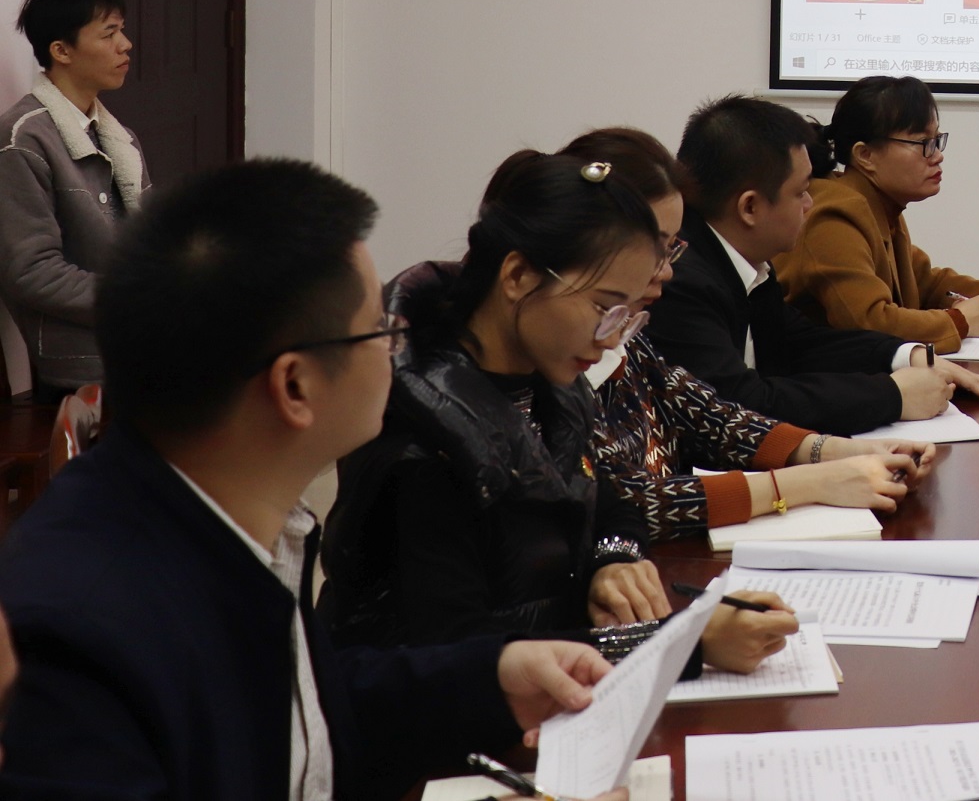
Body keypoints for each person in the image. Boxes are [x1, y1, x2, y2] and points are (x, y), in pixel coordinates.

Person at [0, 157, 626, 801]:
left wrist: (491, 679)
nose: (396, 347)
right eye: (379, 330)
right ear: (295, 386)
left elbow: (295, 710)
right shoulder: (80, 625)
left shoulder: (219, 512)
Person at [321, 150, 792, 679]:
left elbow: (610, 502)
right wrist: (681, 643)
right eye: (604, 308)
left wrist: (613, 560)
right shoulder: (423, 443)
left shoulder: (550, 387)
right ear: (519, 275)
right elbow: (462, 658)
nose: (611, 339)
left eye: (627, 316)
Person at [559, 127, 935, 542]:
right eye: (657, 249)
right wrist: (811, 482)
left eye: (671, 248)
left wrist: (837, 451)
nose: (667, 270)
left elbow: (713, 417)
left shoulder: (628, 339)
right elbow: (620, 501)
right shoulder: (546, 374)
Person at [653, 94, 979, 432]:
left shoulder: (746, 263)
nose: (810, 203)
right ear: (750, 207)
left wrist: (908, 355)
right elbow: (741, 402)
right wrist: (892, 396)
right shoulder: (681, 282)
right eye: (801, 192)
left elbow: (800, 342)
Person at [778, 75, 979, 354]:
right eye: (923, 142)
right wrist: (959, 322)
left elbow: (927, 283)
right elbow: (868, 322)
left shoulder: (878, 205)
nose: (937, 155)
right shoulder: (834, 215)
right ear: (865, 155)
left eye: (936, 140)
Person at [0, 0, 145, 395]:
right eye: (109, 33)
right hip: (82, 369)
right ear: (61, 51)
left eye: (122, 30)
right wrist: (139, 299)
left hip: (138, 348)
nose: (125, 45)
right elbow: (32, 272)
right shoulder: (23, 138)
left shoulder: (121, 138)